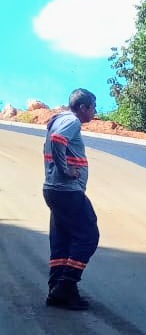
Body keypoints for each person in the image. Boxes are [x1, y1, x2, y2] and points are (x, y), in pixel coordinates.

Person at [42, 88, 99, 310]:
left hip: (54, 190)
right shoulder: (72, 122)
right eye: (93, 107)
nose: (94, 112)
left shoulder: (59, 119)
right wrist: (65, 171)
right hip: (67, 190)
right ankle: (65, 287)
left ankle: (56, 287)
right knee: (88, 235)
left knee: (62, 239)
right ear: (82, 107)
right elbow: (57, 141)